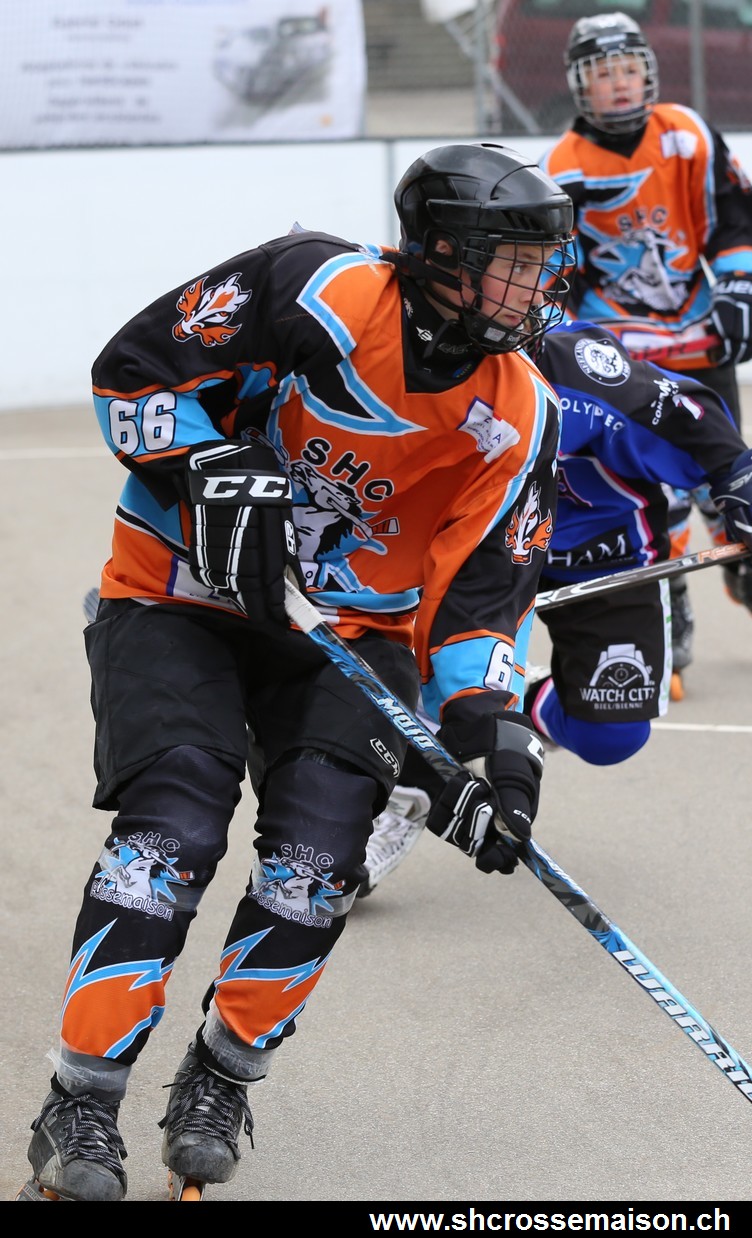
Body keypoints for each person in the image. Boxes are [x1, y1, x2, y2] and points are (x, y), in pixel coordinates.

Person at [19, 142, 574, 1202]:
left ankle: (221, 1077)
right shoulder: (312, 287)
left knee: (317, 861)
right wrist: (210, 467)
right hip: (178, 594)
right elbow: (132, 375)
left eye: (541, 264)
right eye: (515, 263)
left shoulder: (517, 417)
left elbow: (475, 607)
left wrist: (491, 747)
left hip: (350, 635)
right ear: (444, 256)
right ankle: (81, 1098)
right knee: (172, 826)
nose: (536, 285)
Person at [357, 318, 752, 893]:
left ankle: (521, 700)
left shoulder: (579, 371)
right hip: (479, 553)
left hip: (599, 550)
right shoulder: (404, 372)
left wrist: (741, 475)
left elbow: (679, 410)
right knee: (445, 688)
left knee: (610, 736)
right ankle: (412, 786)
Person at [539, 11, 752, 684]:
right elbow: (557, 277)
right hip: (621, 356)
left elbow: (738, 221)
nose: (619, 84)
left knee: (729, 474)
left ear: (649, 74)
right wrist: (564, 349)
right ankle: (674, 599)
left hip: (698, 341)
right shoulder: (561, 168)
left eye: (630, 69)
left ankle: (749, 575)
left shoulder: (687, 135)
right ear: (579, 84)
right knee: (658, 493)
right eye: (604, 73)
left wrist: (746, 290)